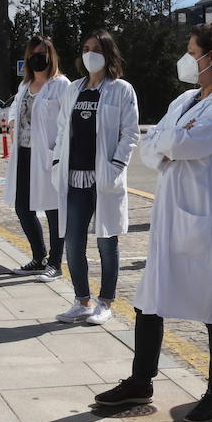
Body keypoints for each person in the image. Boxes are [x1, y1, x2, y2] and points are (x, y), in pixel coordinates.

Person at [94, 23, 212, 422]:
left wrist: (171, 142)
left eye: (191, 50)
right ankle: (140, 381)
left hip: (209, 220)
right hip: (172, 216)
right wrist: (171, 141)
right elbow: (151, 147)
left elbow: (182, 144)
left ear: (210, 57)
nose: (186, 58)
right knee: (151, 296)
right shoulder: (186, 99)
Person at [50, 30, 140, 326]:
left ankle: (105, 301)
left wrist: (116, 165)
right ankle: (81, 300)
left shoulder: (122, 90)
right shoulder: (73, 89)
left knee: (106, 240)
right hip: (74, 177)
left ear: (108, 53)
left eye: (96, 49)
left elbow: (130, 133)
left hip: (104, 177)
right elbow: (63, 128)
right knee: (73, 241)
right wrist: (56, 162)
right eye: (86, 48)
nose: (90, 54)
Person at [4, 34, 71, 278]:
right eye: (32, 55)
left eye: (41, 54)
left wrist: (60, 151)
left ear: (51, 56)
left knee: (54, 210)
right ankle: (38, 256)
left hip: (49, 156)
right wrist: (12, 121)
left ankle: (55, 263)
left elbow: (68, 121)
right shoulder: (25, 86)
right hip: (23, 154)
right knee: (23, 207)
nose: (36, 59)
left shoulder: (61, 85)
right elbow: (14, 109)